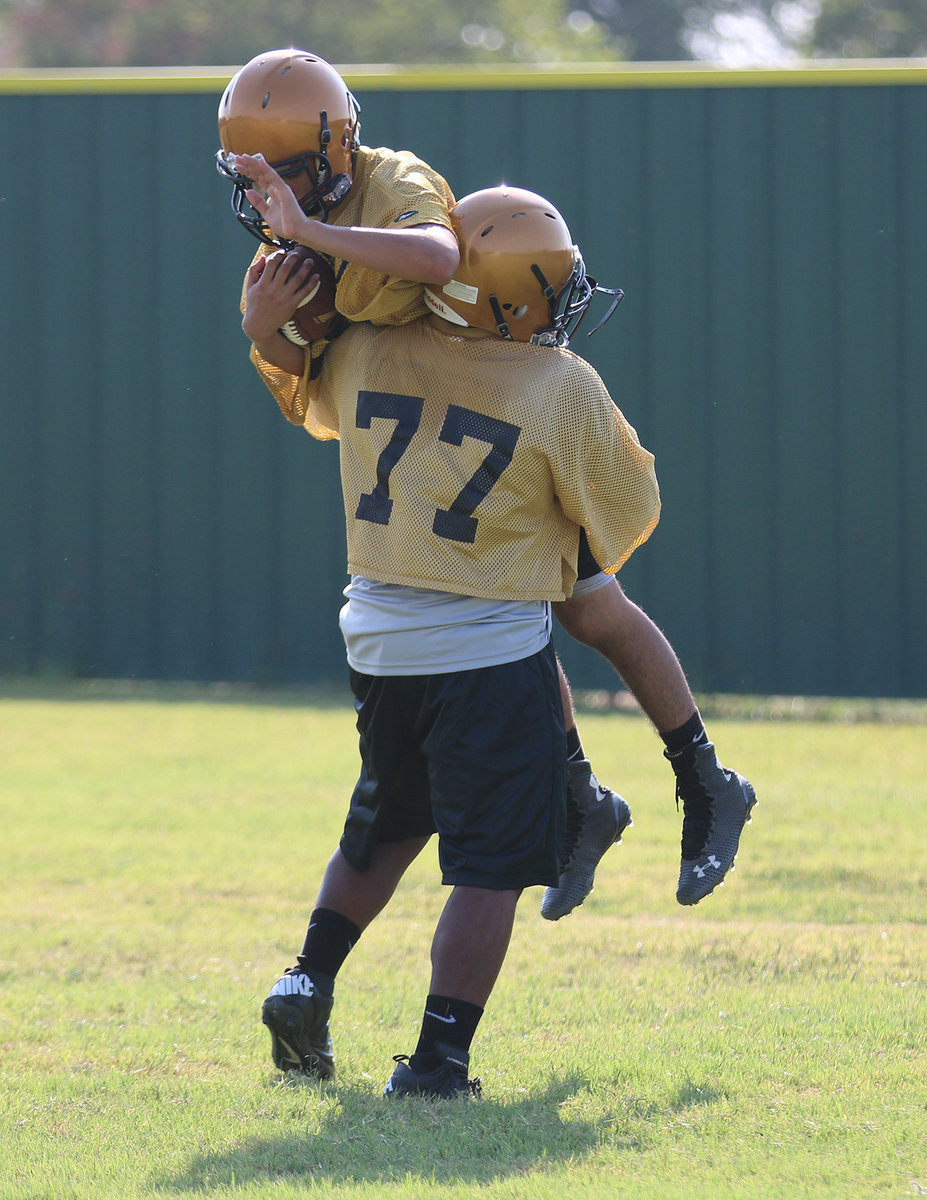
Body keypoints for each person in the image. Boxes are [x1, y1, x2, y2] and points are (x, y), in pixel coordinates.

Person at [217, 48, 757, 918]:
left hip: (464, 383)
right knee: (545, 607)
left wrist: (306, 241)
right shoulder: (311, 229)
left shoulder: (391, 190)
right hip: (425, 385)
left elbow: (433, 259)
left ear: (333, 147)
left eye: (277, 172)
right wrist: (265, 327)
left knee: (567, 605)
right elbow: (312, 387)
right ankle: (622, 787)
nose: (262, 193)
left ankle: (679, 780)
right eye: (249, 175)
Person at [240, 183, 661, 1096]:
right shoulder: (559, 384)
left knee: (382, 827)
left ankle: (305, 975)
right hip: (485, 650)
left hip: (378, 644)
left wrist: (268, 326)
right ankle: (438, 1061)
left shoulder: (365, 351)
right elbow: (627, 513)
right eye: (549, 283)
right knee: (490, 870)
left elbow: (307, 399)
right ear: (514, 296)